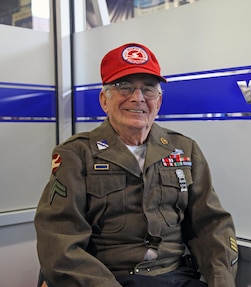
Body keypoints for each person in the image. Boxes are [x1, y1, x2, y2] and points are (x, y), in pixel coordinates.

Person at [34, 42, 238, 287]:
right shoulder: (77, 154)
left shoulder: (185, 149)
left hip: (175, 277)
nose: (137, 98)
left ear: (159, 102)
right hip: (107, 278)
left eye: (148, 89)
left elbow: (212, 225)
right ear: (104, 100)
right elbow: (59, 239)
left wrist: (221, 281)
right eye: (124, 87)